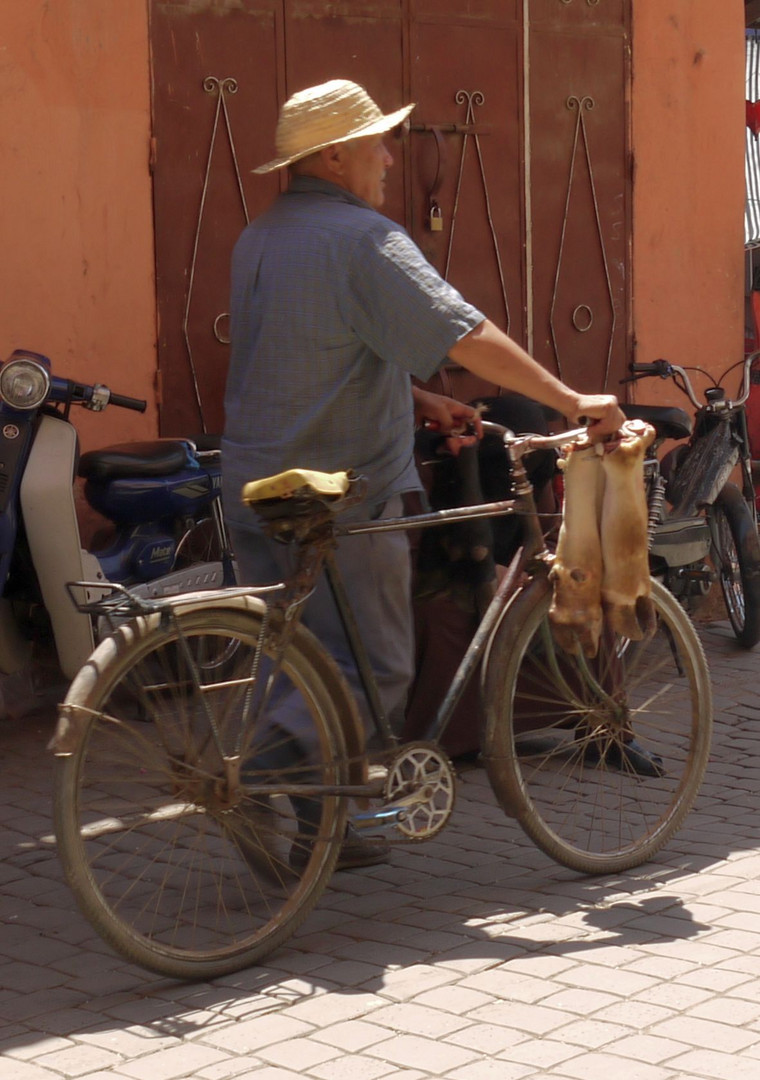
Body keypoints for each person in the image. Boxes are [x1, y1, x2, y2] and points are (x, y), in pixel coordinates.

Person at [221, 79, 625, 870]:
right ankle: (255, 766)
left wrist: (419, 397)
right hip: (344, 491)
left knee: (301, 654)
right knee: (370, 664)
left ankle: (325, 832)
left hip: (254, 483)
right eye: (376, 142)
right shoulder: (366, 239)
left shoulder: (260, 237)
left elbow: (308, 351)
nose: (388, 155)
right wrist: (571, 398)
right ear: (333, 155)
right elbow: (466, 331)